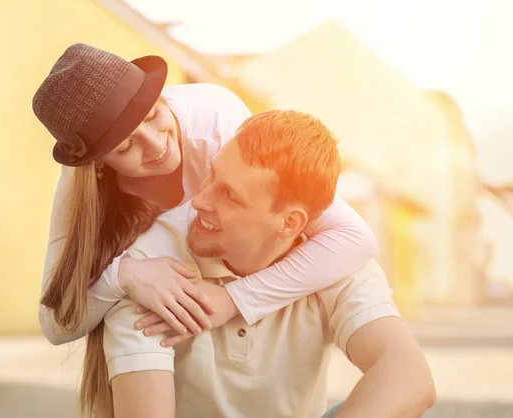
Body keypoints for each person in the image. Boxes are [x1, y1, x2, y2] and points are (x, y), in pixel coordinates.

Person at [32, 44, 378, 415]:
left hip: (230, 306)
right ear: (99, 164)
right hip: (150, 317)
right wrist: (123, 275)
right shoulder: (83, 189)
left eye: (151, 116)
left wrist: (234, 301)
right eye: (126, 146)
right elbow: (56, 322)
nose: (155, 146)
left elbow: (353, 238)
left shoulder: (215, 122)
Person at [102, 110, 437, 418]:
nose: (200, 201)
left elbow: (409, 378)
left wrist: (235, 300)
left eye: (230, 196)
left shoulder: (335, 264)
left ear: (290, 223)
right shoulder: (154, 273)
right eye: (211, 175)